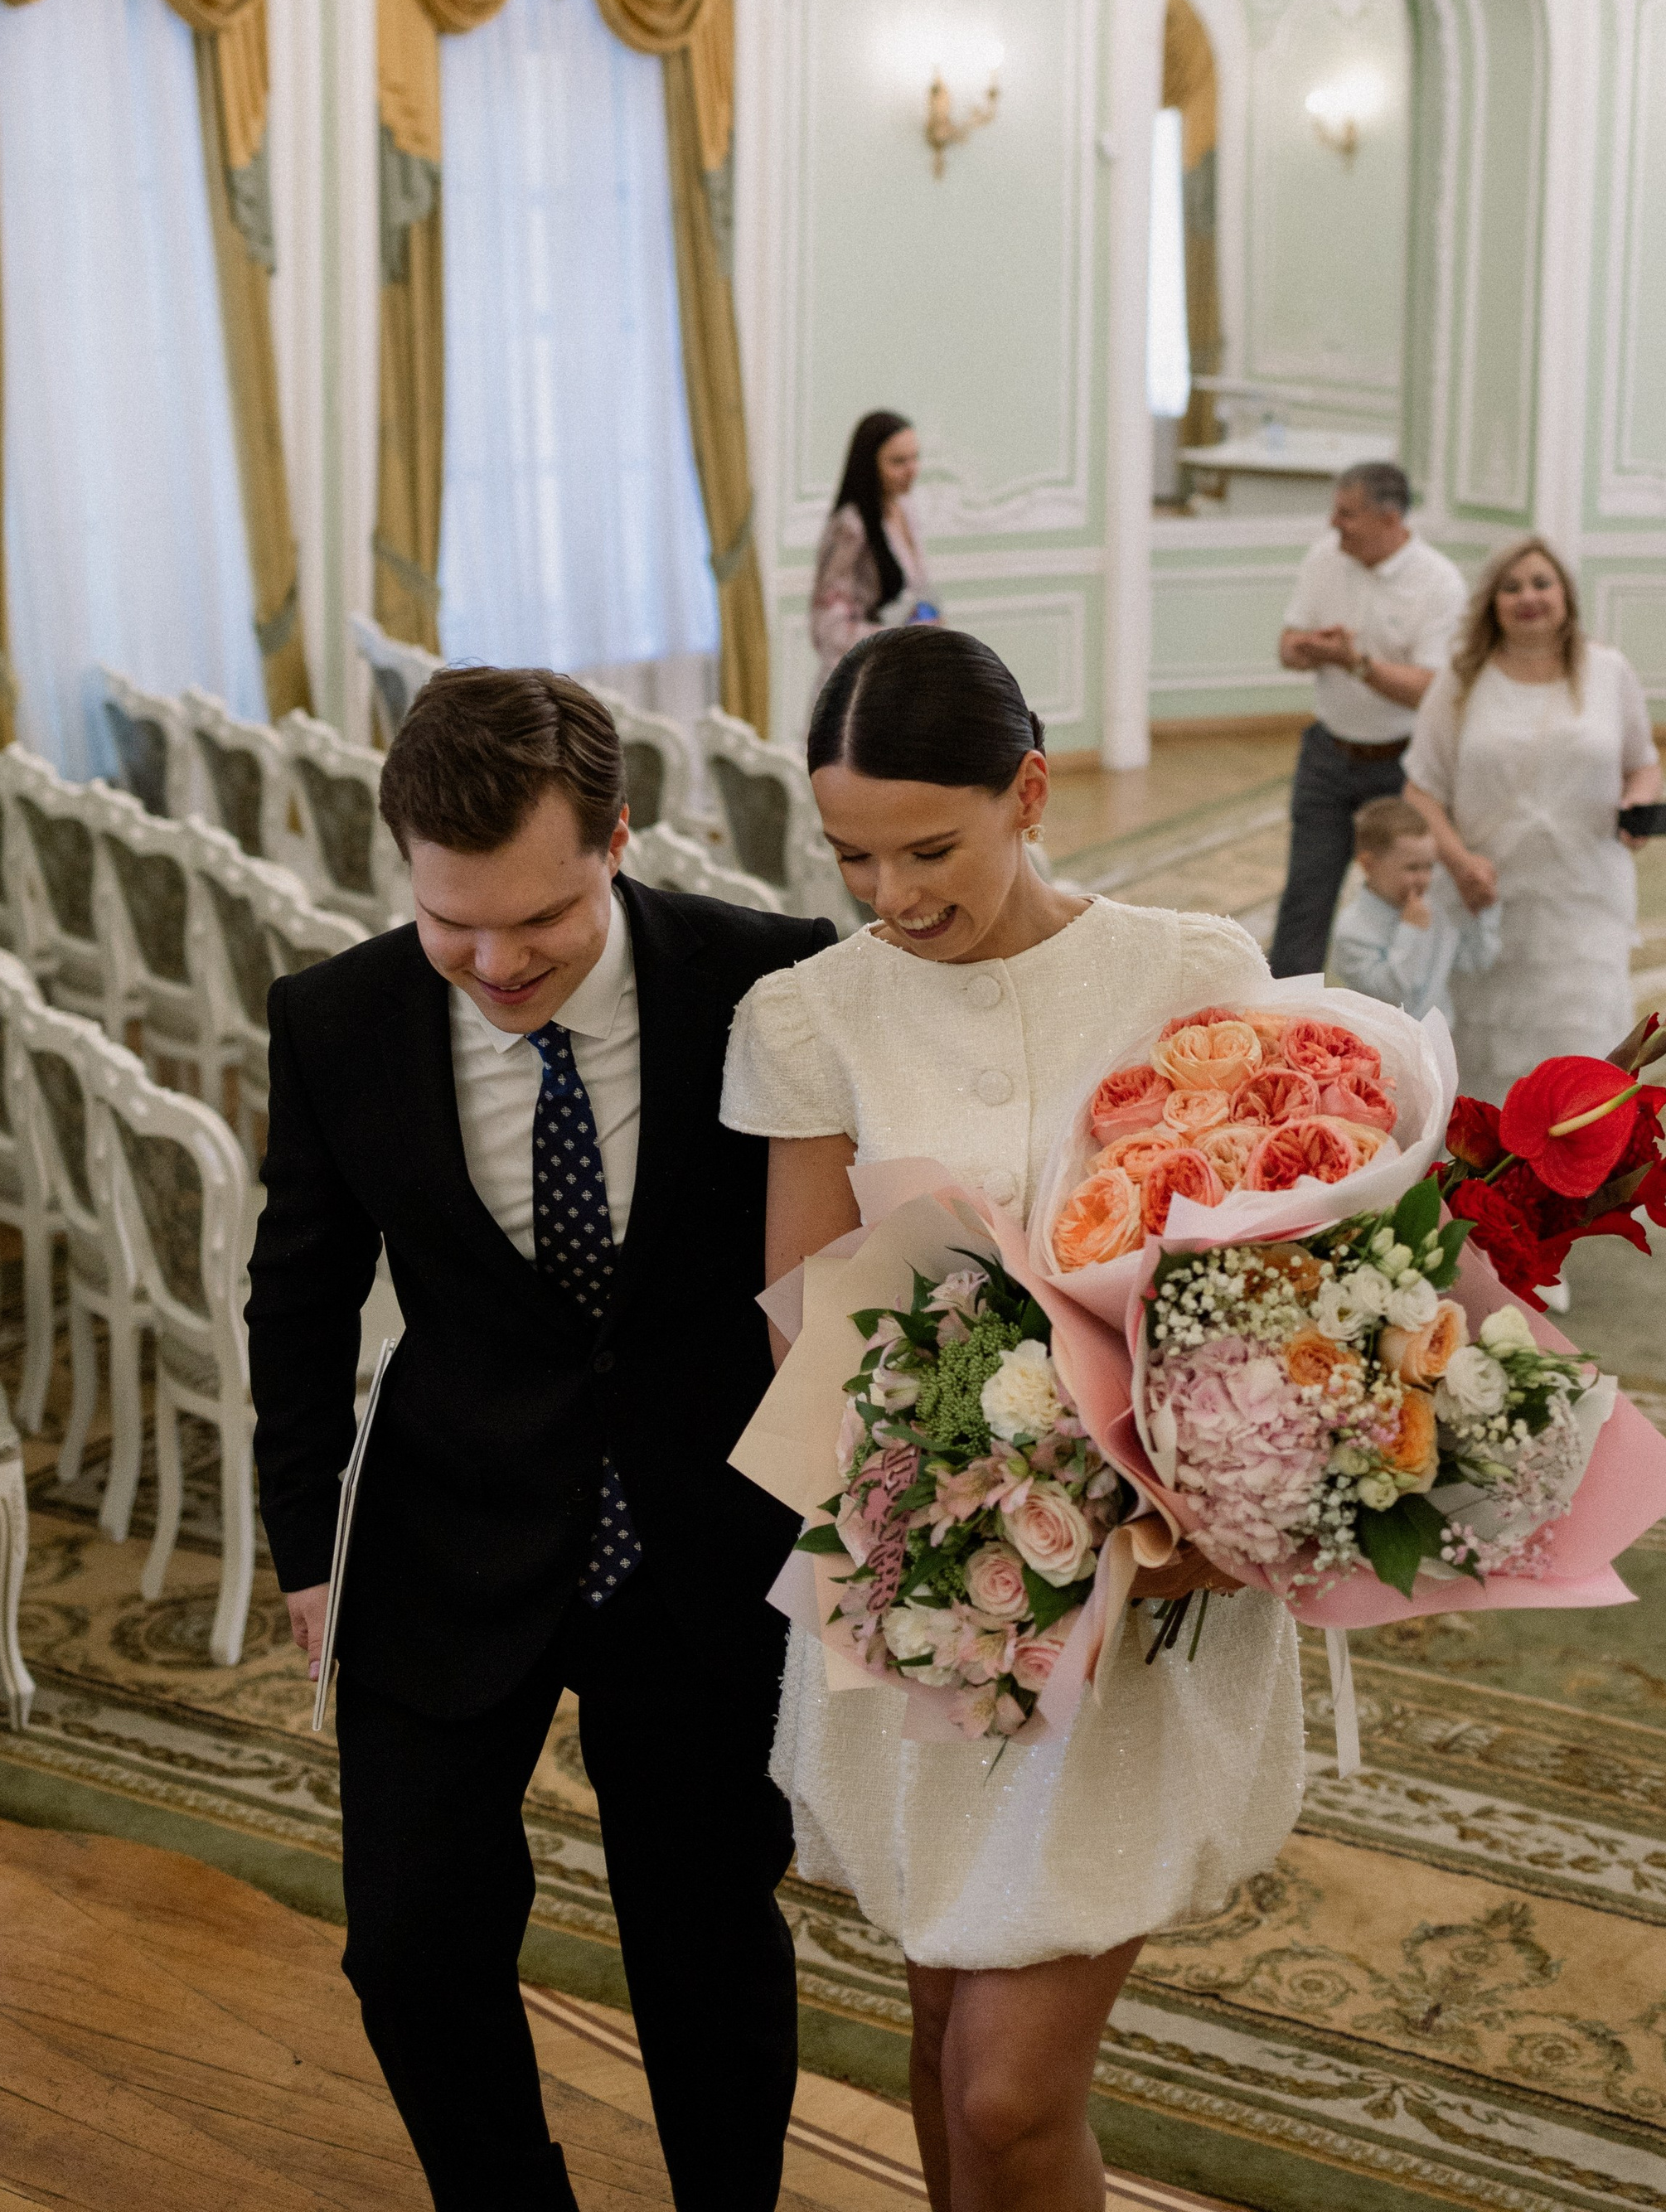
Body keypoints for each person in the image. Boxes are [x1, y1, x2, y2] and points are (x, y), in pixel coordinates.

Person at [720, 625, 1305, 2212]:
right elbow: (802, 1326)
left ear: (1028, 790)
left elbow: (1276, 1292)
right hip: (921, 1591)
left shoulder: (1192, 968)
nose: (891, 894)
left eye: (931, 847)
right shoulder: (805, 1013)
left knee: (1008, 2085)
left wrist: (1210, 1502)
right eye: (850, 853)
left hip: (1144, 1610)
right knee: (934, 2031)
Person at [246, 667, 836, 2212]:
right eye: (455, 922)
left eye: (540, 920)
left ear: (619, 839)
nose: (497, 961)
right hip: (447, 1525)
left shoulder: (769, 981)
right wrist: (305, 1539)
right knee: (411, 1939)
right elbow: (298, 1294)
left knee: (703, 1932)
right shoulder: (336, 1020)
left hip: (703, 1542)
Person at [1401, 536, 1663, 1101]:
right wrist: (1461, 862)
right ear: (1492, 603)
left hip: (1583, 903)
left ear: (1565, 596)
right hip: (1483, 903)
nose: (1528, 597)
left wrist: (1639, 804)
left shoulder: (1609, 672)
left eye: (1542, 583)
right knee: (1484, 1059)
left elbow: (1643, 765)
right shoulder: (1461, 679)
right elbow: (1421, 790)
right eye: (1511, 587)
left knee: (1580, 1057)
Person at [1267, 461, 1468, 979]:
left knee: (1404, 893)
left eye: (1347, 514)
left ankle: (1400, 1013)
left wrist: (1357, 664)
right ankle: (1287, 1016)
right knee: (1306, 897)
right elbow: (1286, 649)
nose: (1335, 524)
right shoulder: (1323, 558)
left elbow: (1431, 691)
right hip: (1326, 754)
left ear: (1389, 517)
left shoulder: (1439, 583)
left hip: (1404, 766)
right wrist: (1308, 649)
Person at [1327, 792, 1501, 1028]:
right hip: (1384, 1046)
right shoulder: (1352, 930)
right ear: (1369, 864)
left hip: (1438, 1038)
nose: (1423, 879)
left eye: (1429, 867)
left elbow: (1474, 960)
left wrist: (1484, 911)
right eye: (1412, 868)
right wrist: (1410, 932)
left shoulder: (1432, 909)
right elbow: (1391, 997)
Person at [811, 409, 938, 678]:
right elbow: (828, 627)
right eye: (898, 462)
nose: (911, 470)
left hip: (898, 669)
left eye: (915, 458)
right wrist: (901, 637)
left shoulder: (906, 509)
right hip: (857, 680)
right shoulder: (851, 526)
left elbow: (918, 591)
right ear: (871, 464)